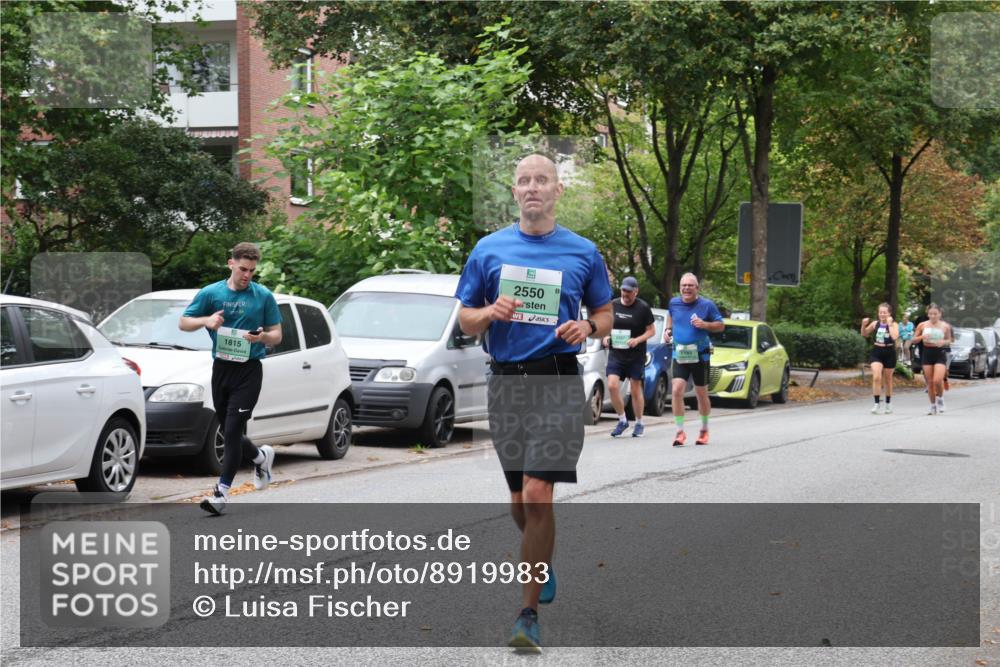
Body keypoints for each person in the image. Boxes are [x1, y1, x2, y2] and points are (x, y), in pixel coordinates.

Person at [456, 154, 613, 653]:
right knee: (520, 500)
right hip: (506, 385)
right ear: (514, 190)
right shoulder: (488, 250)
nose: (532, 188)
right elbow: (464, 320)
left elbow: (606, 313)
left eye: (541, 180)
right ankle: (539, 558)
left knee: (539, 492)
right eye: (523, 180)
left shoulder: (583, 252)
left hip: (558, 382)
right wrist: (490, 311)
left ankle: (527, 615)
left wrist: (587, 326)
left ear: (557, 189)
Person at [180, 242, 282, 514]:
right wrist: (206, 321)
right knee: (228, 430)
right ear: (231, 264)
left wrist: (262, 338)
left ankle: (221, 493)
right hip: (221, 368)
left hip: (249, 370)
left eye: (251, 270)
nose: (247, 275)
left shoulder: (263, 296)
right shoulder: (211, 293)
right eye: (242, 269)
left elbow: (277, 335)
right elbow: (183, 322)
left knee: (235, 427)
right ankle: (261, 458)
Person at [663, 273, 724, 446]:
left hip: (701, 355)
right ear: (680, 287)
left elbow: (720, 325)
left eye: (690, 285)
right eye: (684, 285)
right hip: (680, 354)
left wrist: (705, 325)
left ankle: (704, 429)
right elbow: (671, 315)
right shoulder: (674, 303)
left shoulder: (707, 305)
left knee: (701, 393)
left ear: (697, 288)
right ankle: (679, 432)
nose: (686, 288)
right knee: (676, 390)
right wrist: (668, 330)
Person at [604, 276, 656, 438]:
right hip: (616, 353)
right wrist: (605, 337)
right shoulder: (613, 305)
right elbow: (606, 325)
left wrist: (637, 340)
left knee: (635, 389)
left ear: (636, 291)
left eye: (628, 291)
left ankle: (639, 422)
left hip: (635, 355)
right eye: (623, 290)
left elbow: (651, 331)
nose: (625, 294)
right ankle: (622, 420)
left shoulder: (643, 308)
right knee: (612, 386)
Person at [911, 303, 953, 415]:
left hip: (939, 353)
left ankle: (941, 399)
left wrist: (943, 342)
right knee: (930, 382)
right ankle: (932, 406)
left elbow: (950, 340)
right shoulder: (922, 325)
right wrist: (922, 337)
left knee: (937, 380)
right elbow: (913, 340)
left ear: (940, 314)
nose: (933, 316)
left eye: (935, 314)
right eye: (930, 314)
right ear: (927, 314)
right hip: (927, 353)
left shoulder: (945, 326)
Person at [861, 303, 900, 414]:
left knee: (888, 380)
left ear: (889, 313)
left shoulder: (894, 324)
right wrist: (863, 325)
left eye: (884, 312)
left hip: (889, 352)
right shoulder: (875, 324)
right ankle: (876, 403)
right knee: (877, 377)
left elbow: (894, 337)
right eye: (880, 312)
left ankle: (888, 404)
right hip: (877, 351)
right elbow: (864, 334)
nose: (882, 314)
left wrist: (890, 324)